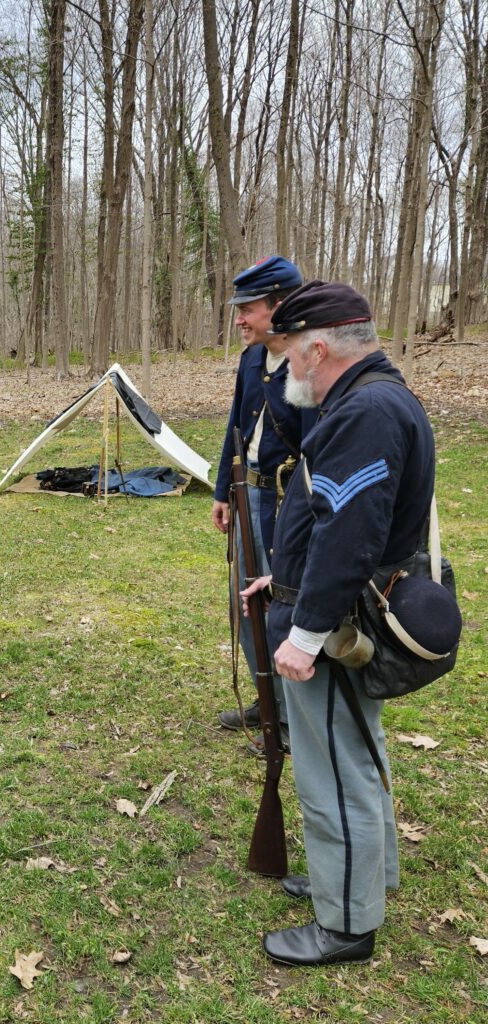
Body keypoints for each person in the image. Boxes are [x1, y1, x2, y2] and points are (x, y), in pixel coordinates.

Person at [241, 281, 435, 966]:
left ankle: (347, 924)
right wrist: (285, 580)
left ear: (319, 347)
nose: (288, 368)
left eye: (290, 353)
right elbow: (337, 519)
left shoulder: (365, 411)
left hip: (337, 622)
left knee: (331, 770)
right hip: (334, 605)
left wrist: (306, 629)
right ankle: (363, 878)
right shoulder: (372, 398)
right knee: (357, 751)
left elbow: (353, 535)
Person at [212, 255, 311, 753]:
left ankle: (292, 721)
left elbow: (316, 454)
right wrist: (220, 491)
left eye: (247, 308)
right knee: (245, 603)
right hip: (245, 494)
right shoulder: (252, 357)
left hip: (286, 505)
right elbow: (236, 423)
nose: (239, 319)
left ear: (279, 305)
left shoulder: (309, 361)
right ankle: (264, 698)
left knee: (282, 607)